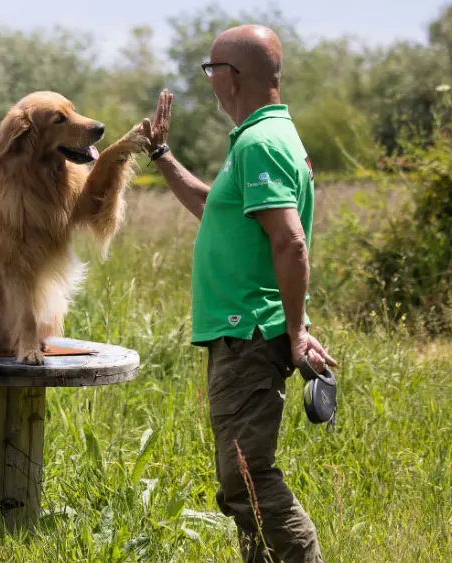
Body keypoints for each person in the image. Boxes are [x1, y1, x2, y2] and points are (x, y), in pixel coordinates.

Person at [140, 24, 337, 563]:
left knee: (247, 480)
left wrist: (297, 331)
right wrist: (161, 155)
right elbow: (214, 208)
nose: (209, 80)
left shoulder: (261, 143)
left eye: (211, 69)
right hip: (241, 331)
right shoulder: (265, 139)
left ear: (230, 76)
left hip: (248, 332)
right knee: (241, 484)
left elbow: (290, 241)